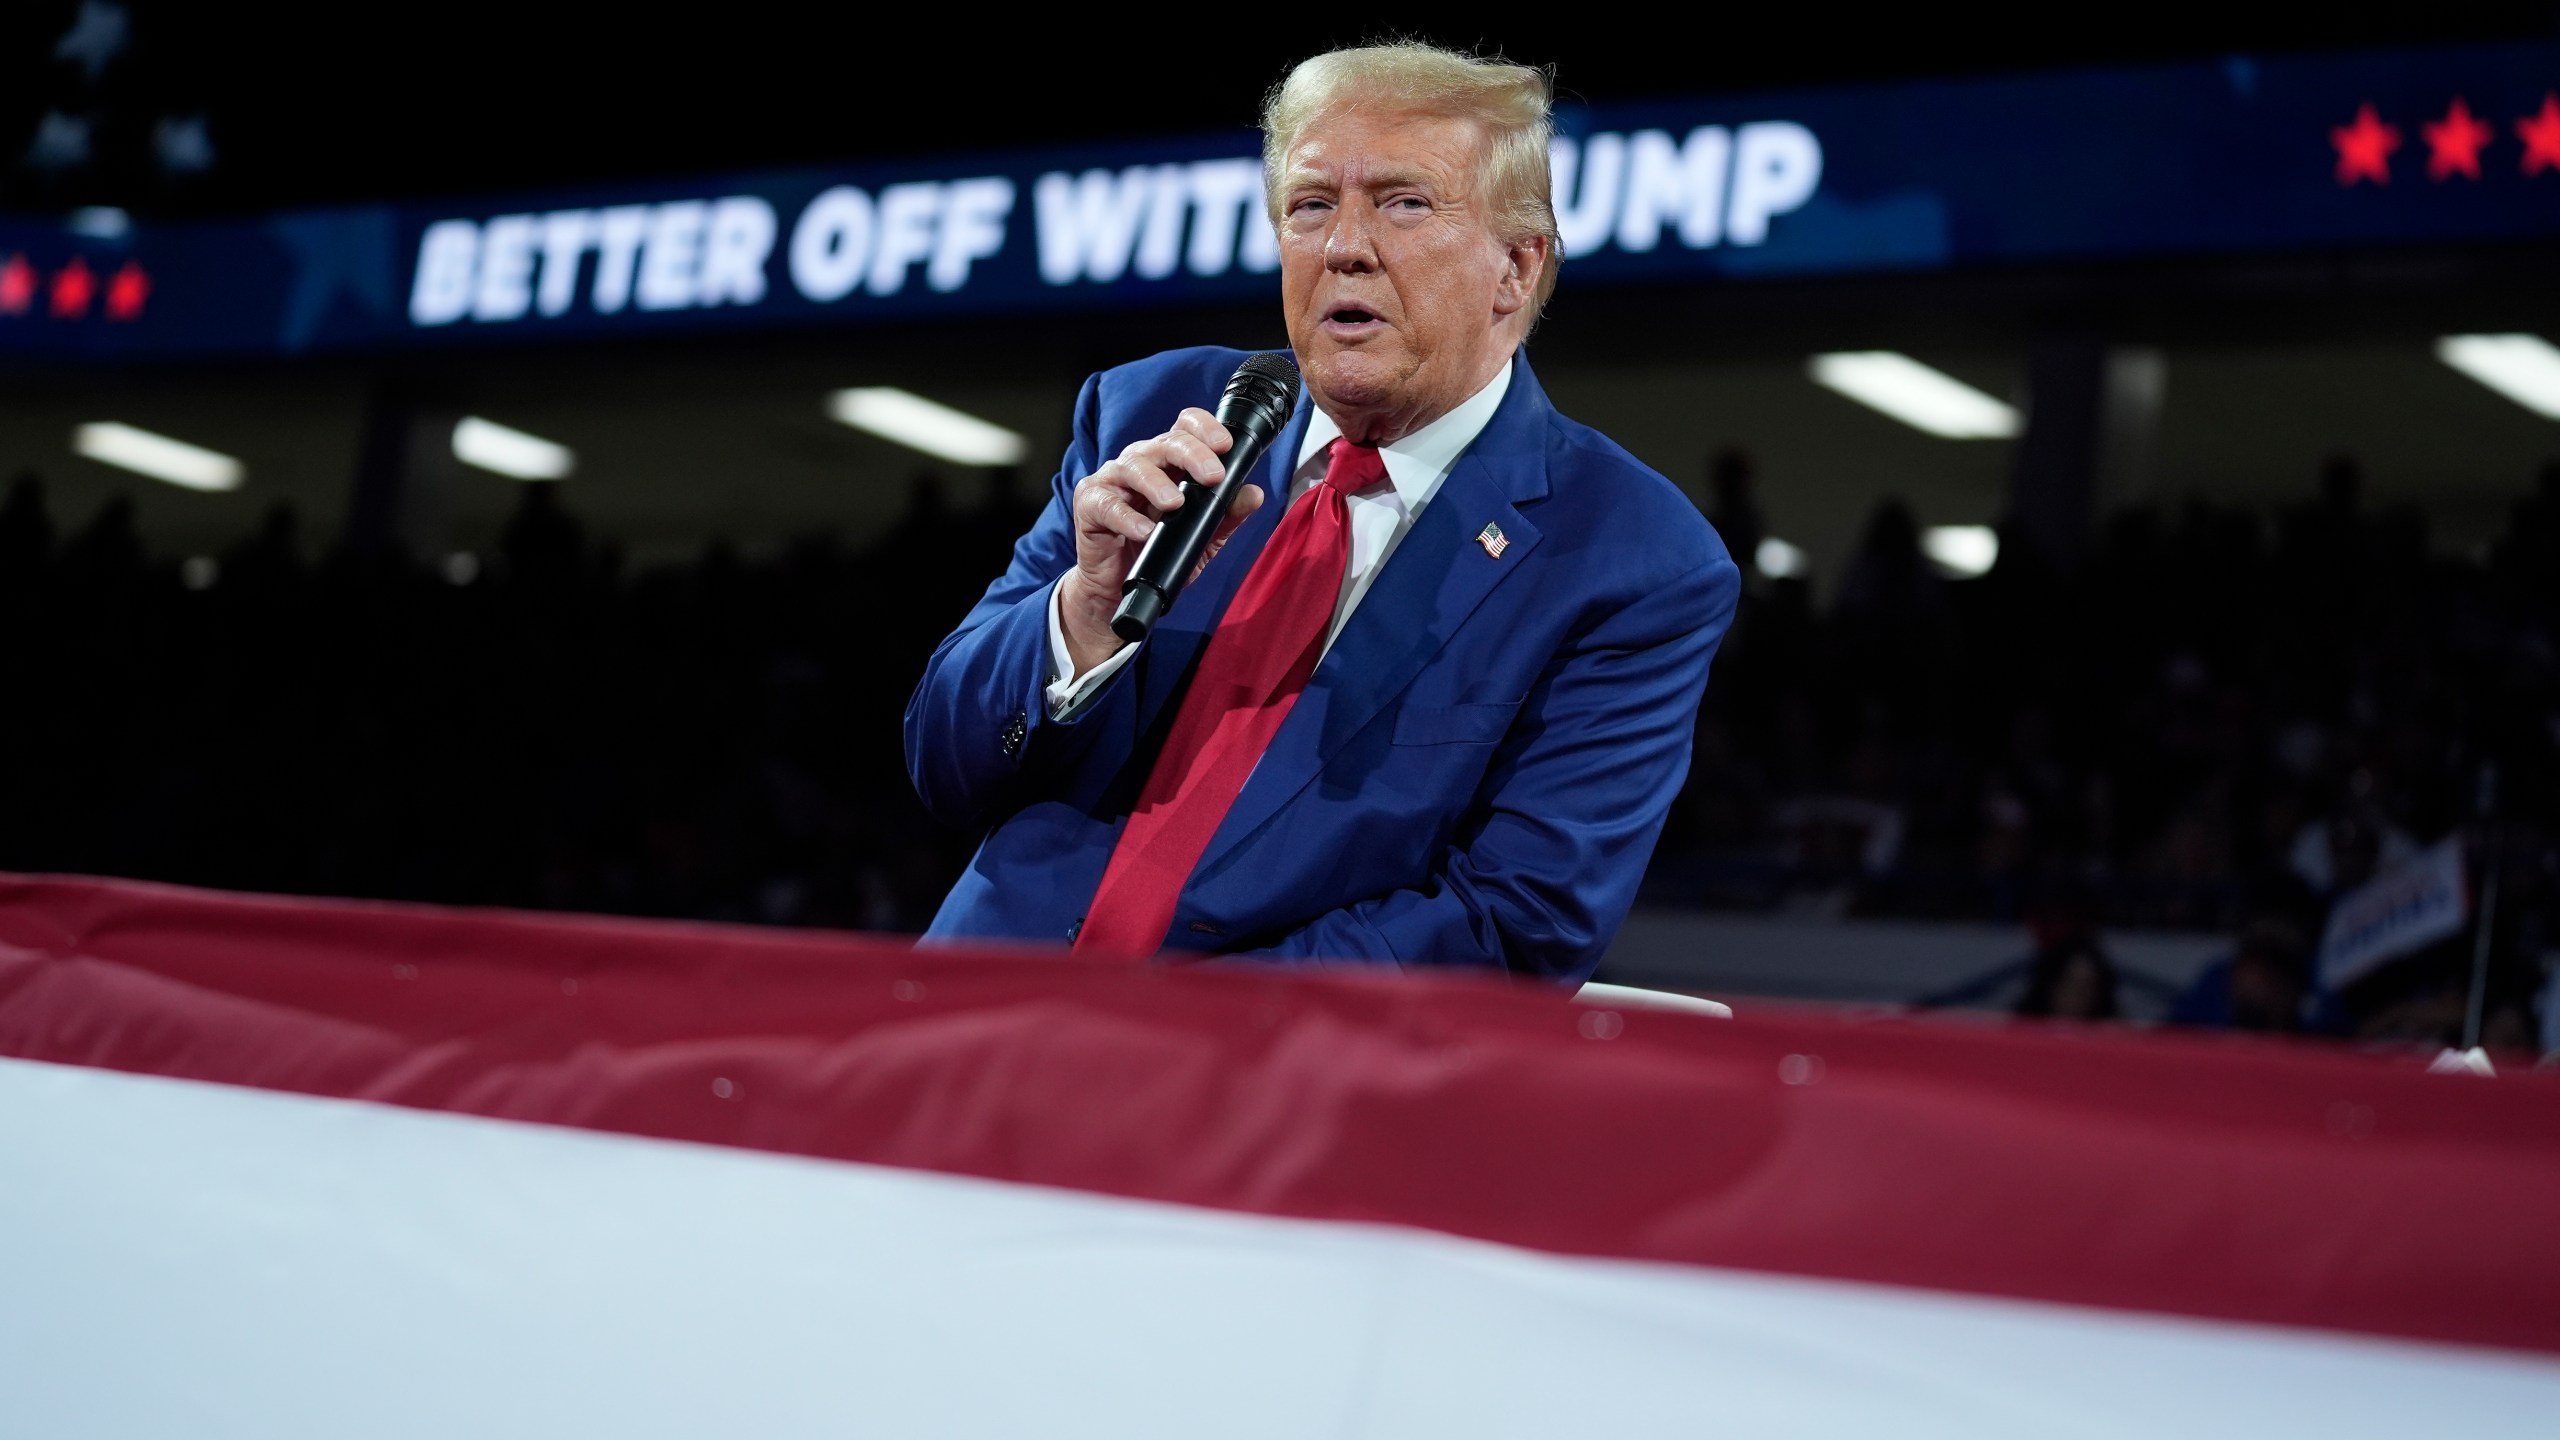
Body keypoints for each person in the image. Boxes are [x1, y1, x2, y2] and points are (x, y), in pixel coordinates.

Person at [904, 42, 1737, 980]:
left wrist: (1170, 1032)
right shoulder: (1149, 415)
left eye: (1403, 202)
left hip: (1268, 1082)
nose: (1344, 246)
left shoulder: (1633, 558)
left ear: (1515, 266)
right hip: (969, 1025)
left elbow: (1516, 922)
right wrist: (1080, 612)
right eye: (1310, 206)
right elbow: (946, 760)